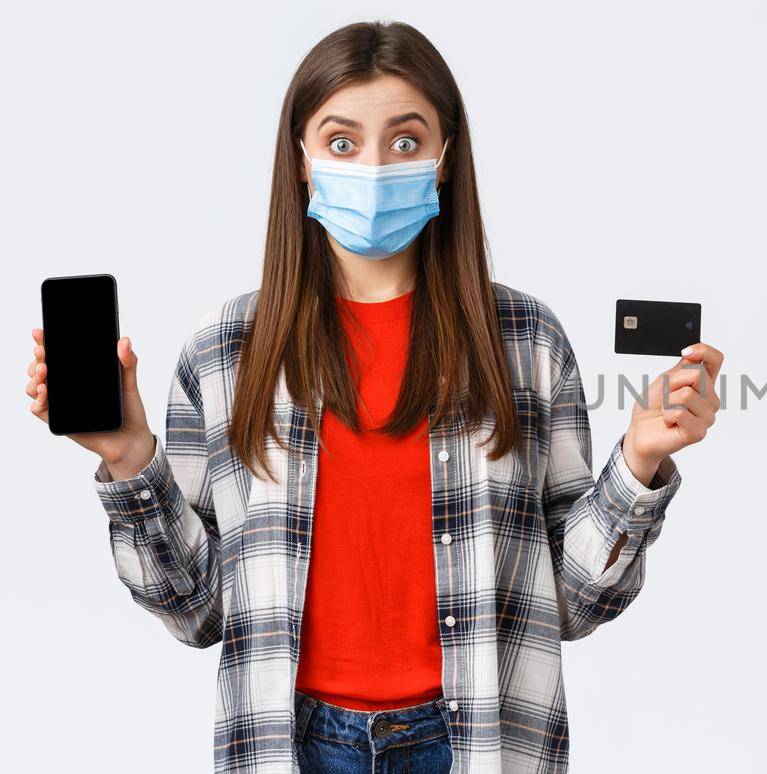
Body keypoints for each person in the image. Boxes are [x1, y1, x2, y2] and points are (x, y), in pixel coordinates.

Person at [23, 20, 722, 774]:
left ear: (446, 158)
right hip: (292, 745)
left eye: (406, 141)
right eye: (343, 142)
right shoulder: (226, 351)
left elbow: (574, 606)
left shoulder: (525, 341)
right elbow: (197, 611)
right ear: (301, 159)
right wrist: (130, 460)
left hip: (479, 742)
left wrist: (639, 464)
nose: (376, 167)